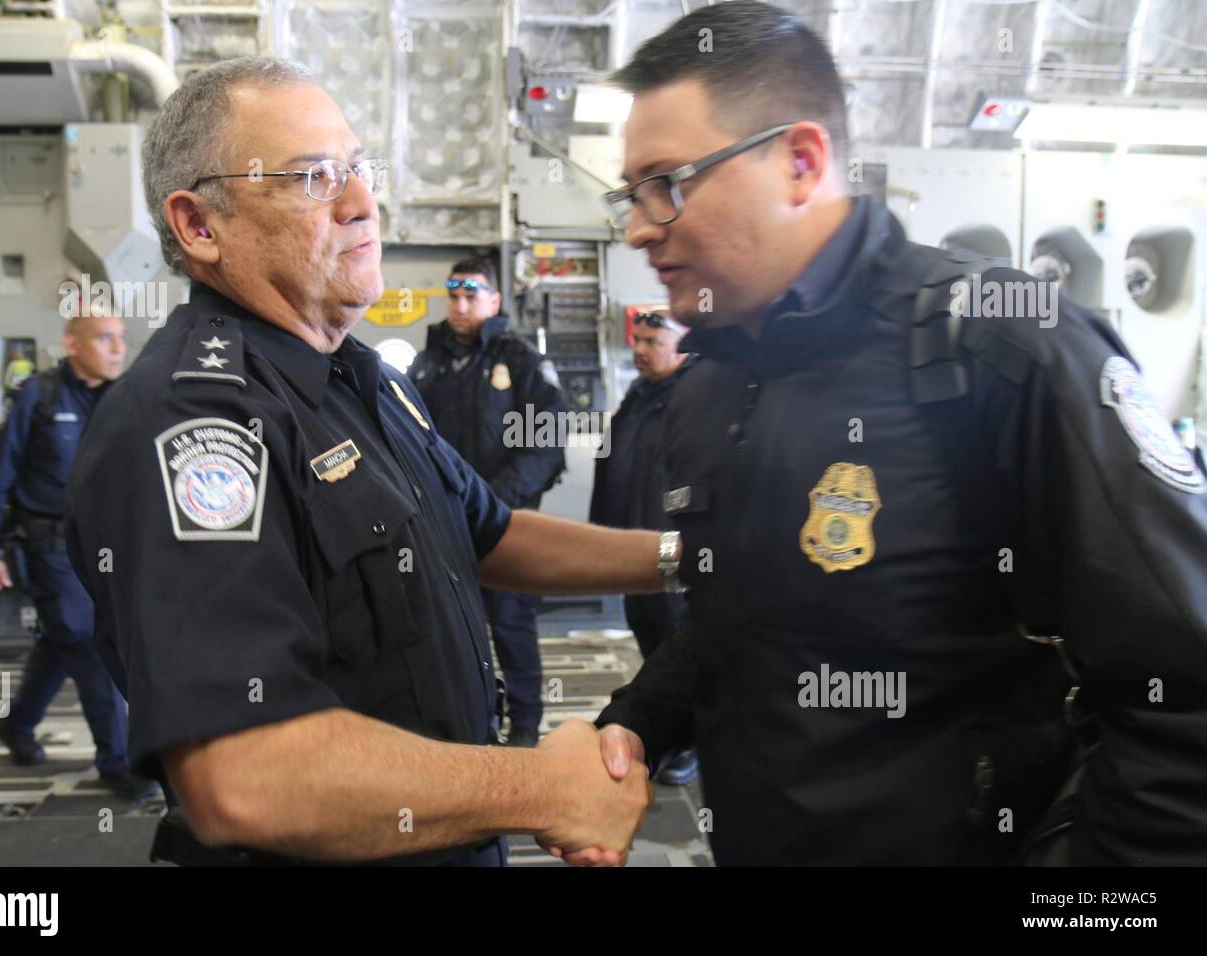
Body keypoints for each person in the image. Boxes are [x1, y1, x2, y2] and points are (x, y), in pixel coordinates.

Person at [579, 1, 1207, 866]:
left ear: (800, 163)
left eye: (666, 184)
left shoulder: (997, 346)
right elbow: (738, 623)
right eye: (631, 195)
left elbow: (1183, 700)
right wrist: (637, 725)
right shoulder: (710, 388)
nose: (641, 227)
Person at [64, 57, 671, 867]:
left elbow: (492, 534)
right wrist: (545, 788)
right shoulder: (193, 420)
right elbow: (242, 775)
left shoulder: (365, 380)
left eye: (359, 169)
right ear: (199, 225)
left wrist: (687, 559)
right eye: (315, 178)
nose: (362, 204)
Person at [0, 308, 157, 803]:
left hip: (110, 546)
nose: (118, 348)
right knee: (88, 643)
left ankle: (17, 724)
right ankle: (118, 762)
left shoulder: (127, 399)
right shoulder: (38, 397)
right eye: (104, 339)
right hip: (50, 546)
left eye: (121, 338)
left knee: (60, 642)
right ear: (72, 345)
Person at [408, 258, 567, 747]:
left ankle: (523, 724)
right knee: (449, 626)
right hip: (441, 527)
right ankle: (469, 721)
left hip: (505, 524)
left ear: (494, 301)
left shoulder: (520, 362)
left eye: (471, 295)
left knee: (511, 623)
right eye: (453, 295)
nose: (460, 305)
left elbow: (545, 444)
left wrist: (491, 506)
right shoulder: (427, 365)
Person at [589, 310, 697, 784]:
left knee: (680, 645)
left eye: (654, 340)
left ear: (685, 346)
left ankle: (689, 745)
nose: (640, 348)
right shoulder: (639, 395)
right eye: (638, 339)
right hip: (633, 551)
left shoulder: (696, 401)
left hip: (674, 554)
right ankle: (667, 731)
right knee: (651, 642)